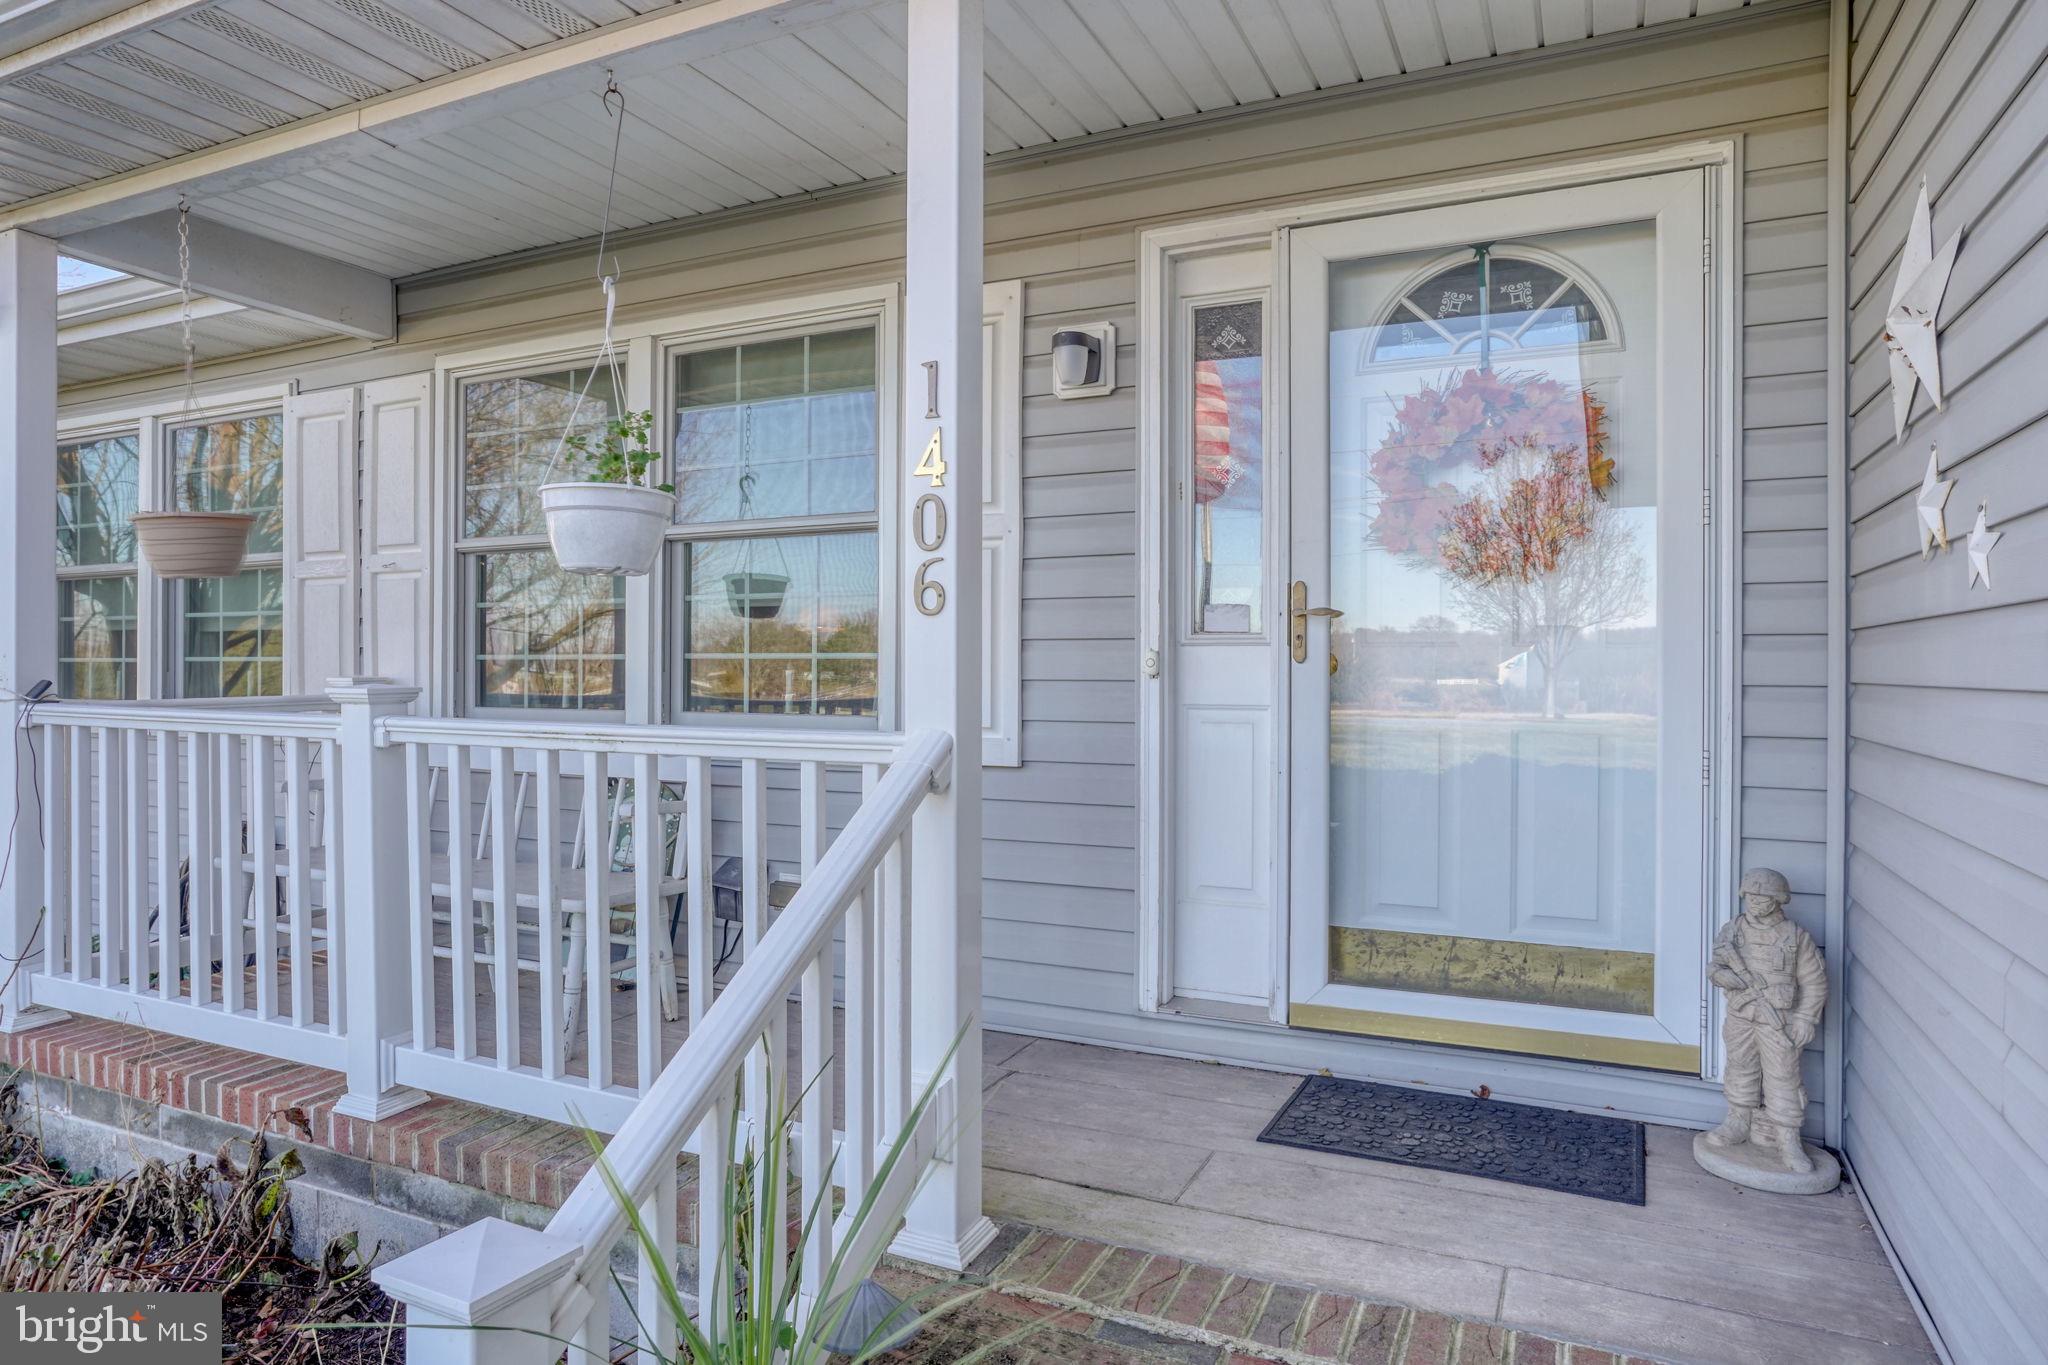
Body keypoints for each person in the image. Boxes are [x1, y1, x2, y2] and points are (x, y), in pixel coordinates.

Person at [1703, 867, 1826, 1172]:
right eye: (1752, 895)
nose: (1756, 901)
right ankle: (1738, 1121)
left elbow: (1815, 982)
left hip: (1778, 1020)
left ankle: (1787, 1138)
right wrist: (1732, 980)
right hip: (1742, 1014)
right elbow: (1715, 968)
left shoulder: (1795, 937)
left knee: (1783, 1075)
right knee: (1741, 1066)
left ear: (1778, 899)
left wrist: (1805, 1020)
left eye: (1764, 896)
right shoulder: (1733, 931)